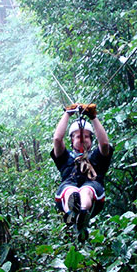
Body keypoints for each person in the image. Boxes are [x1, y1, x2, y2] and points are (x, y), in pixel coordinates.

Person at [51, 103, 113, 242]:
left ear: (91, 140)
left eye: (86, 136)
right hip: (68, 189)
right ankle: (72, 215)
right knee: (71, 192)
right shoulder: (65, 158)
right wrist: (67, 114)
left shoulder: (96, 157)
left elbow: (104, 144)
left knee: (85, 191)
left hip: (93, 194)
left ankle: (82, 215)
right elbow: (57, 139)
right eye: (78, 137)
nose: (83, 139)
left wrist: (93, 117)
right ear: (72, 140)